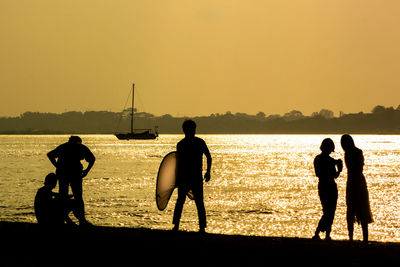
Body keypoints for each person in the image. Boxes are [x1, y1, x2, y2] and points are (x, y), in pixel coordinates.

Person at [172, 120, 212, 233]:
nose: (192, 131)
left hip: (193, 178)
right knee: (184, 202)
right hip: (187, 178)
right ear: (185, 130)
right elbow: (178, 163)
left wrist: (208, 171)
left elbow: (209, 157)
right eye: (191, 129)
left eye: (193, 129)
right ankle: (177, 226)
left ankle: (200, 228)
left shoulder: (187, 143)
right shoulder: (184, 144)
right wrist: (208, 171)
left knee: (196, 202)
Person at [47, 136, 95, 226]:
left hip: (65, 173)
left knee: (63, 196)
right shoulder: (81, 147)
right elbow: (92, 159)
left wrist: (57, 165)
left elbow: (50, 155)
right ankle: (81, 220)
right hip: (74, 173)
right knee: (77, 196)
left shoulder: (63, 146)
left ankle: (63, 218)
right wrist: (87, 171)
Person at [341, 134, 373, 243]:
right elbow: (359, 166)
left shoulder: (348, 154)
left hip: (353, 182)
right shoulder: (358, 152)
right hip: (358, 181)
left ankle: (351, 238)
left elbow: (352, 167)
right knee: (362, 209)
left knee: (352, 210)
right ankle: (365, 239)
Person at [312, 138, 342, 241]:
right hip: (329, 187)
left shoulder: (318, 159)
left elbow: (319, 174)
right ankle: (321, 233)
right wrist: (338, 170)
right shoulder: (329, 161)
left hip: (324, 186)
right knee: (329, 211)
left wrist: (336, 167)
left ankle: (323, 233)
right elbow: (334, 175)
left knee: (328, 211)